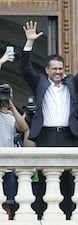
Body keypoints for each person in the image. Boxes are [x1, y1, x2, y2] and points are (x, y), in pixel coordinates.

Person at [19, 21, 78, 219]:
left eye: (60, 68)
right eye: (54, 69)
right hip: (45, 136)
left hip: (68, 136)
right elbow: (24, 67)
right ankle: (40, 217)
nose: (57, 72)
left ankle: (68, 217)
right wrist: (29, 43)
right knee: (46, 179)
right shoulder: (38, 83)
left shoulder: (71, 82)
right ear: (47, 70)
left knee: (67, 180)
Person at [0, 83, 28, 219]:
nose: (5, 97)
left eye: (8, 94)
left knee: (8, 202)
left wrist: (11, 106)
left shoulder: (12, 115)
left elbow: (23, 128)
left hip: (9, 167)